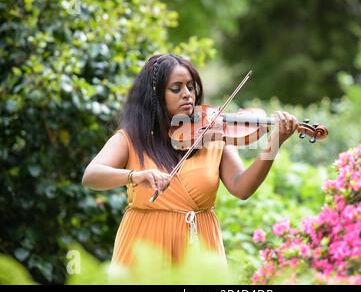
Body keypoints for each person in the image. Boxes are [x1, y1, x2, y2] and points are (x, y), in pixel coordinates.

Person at [81, 54, 299, 269]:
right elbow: (92, 176)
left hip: (200, 247)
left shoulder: (213, 133)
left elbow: (242, 188)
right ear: (155, 95)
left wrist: (274, 143)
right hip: (145, 245)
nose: (187, 94)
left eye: (191, 87)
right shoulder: (131, 139)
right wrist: (135, 176)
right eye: (176, 88)